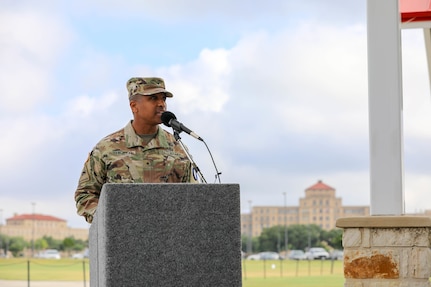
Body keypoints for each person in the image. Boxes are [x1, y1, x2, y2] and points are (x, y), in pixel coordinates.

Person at [74, 77, 197, 223]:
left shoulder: (178, 148)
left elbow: (193, 197)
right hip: (122, 238)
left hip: (169, 237)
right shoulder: (106, 148)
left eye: (163, 99)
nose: (161, 104)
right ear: (134, 106)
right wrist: (108, 220)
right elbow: (85, 194)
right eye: (153, 98)